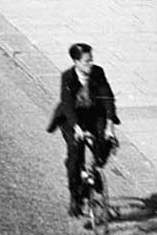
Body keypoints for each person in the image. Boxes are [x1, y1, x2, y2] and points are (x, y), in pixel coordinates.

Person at [45, 43, 120, 218]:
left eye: (91, 60)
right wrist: (78, 129)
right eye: (86, 61)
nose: (90, 64)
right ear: (76, 62)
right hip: (73, 119)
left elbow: (107, 97)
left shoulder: (98, 73)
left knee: (105, 143)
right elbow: (68, 105)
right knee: (75, 152)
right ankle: (75, 196)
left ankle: (94, 170)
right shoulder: (68, 77)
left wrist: (110, 125)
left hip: (95, 115)